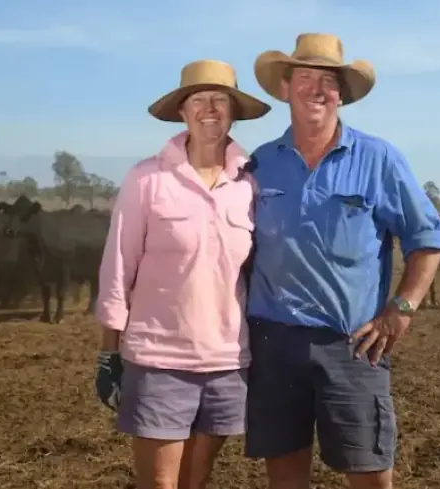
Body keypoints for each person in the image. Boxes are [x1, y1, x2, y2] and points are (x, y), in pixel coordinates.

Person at [244, 33, 440, 489]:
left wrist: (401, 310)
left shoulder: (378, 158)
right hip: (273, 342)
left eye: (328, 80)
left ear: (342, 94)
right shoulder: (260, 164)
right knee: (284, 474)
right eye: (305, 77)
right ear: (284, 88)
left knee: (370, 473)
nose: (316, 89)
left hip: (353, 344)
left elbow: (428, 238)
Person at [94, 59, 270, 489]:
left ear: (233, 112)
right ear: (182, 112)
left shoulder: (250, 183)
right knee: (160, 484)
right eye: (199, 101)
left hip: (227, 361)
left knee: (197, 481)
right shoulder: (146, 179)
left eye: (220, 101)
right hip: (158, 360)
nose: (209, 109)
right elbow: (118, 267)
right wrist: (108, 352)